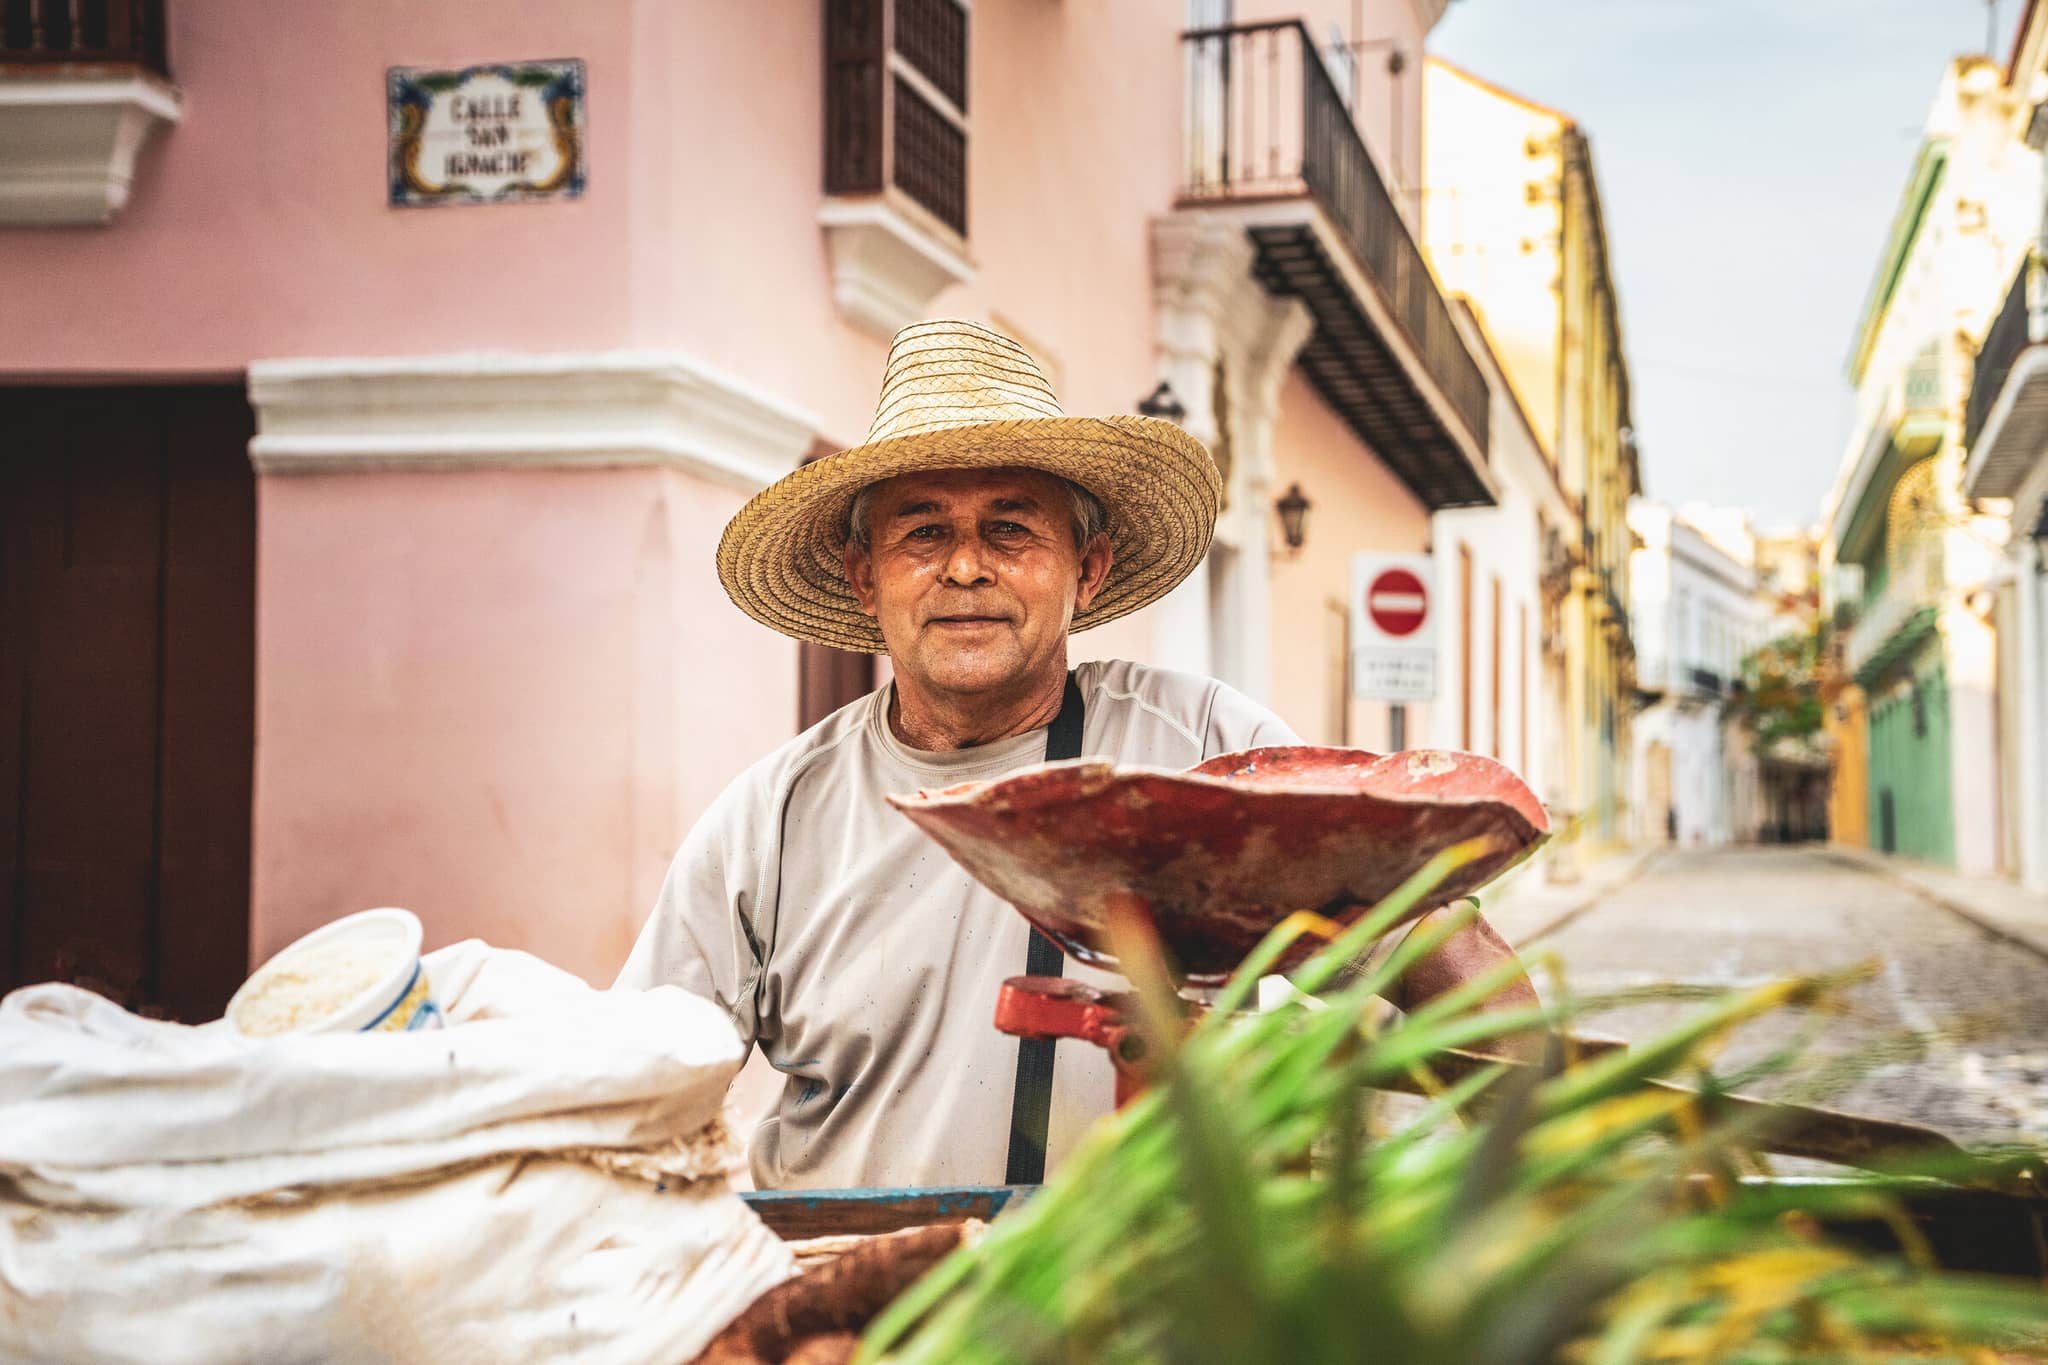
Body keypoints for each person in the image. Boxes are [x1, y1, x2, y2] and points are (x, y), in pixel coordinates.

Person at [617, 319, 1537, 1189]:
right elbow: (626, 1091)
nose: (967, 568)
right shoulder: (772, 820)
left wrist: (1542, 1155)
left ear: (1086, 568)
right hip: (860, 1319)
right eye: (923, 531)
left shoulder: (1204, 749)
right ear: (866, 578)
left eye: (1011, 528)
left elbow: (1426, 936)